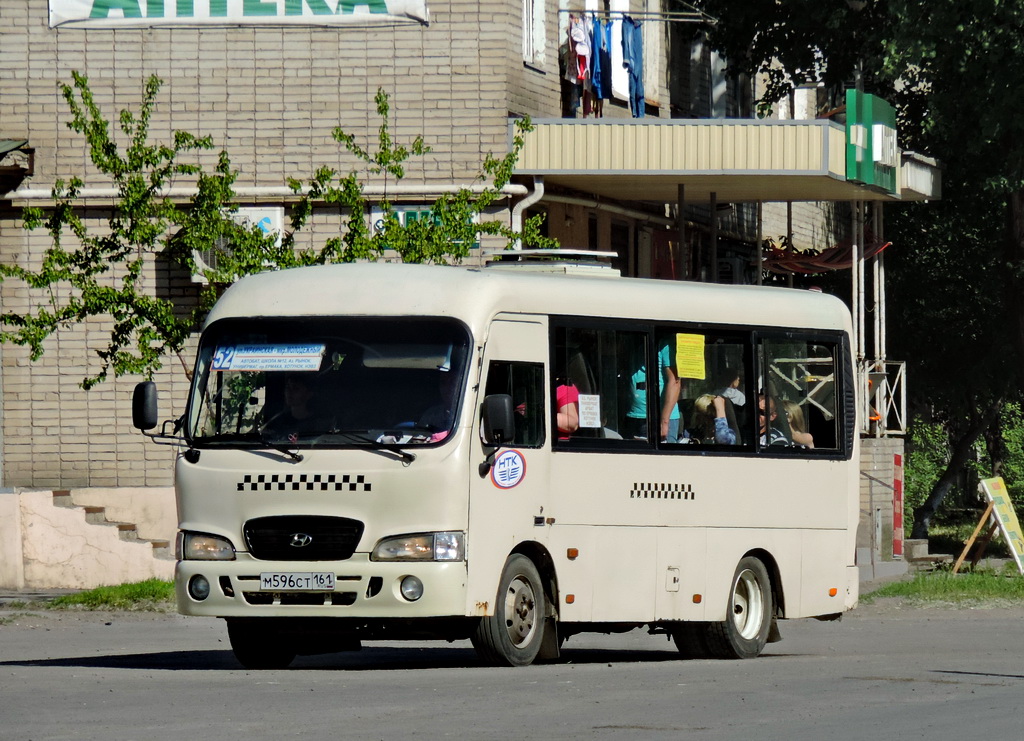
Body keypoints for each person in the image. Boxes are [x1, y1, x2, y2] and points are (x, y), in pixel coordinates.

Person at [623, 343, 680, 442]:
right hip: (634, 415)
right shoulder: (635, 343)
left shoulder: (665, 344)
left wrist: (664, 421)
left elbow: (675, 382)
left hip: (659, 418)